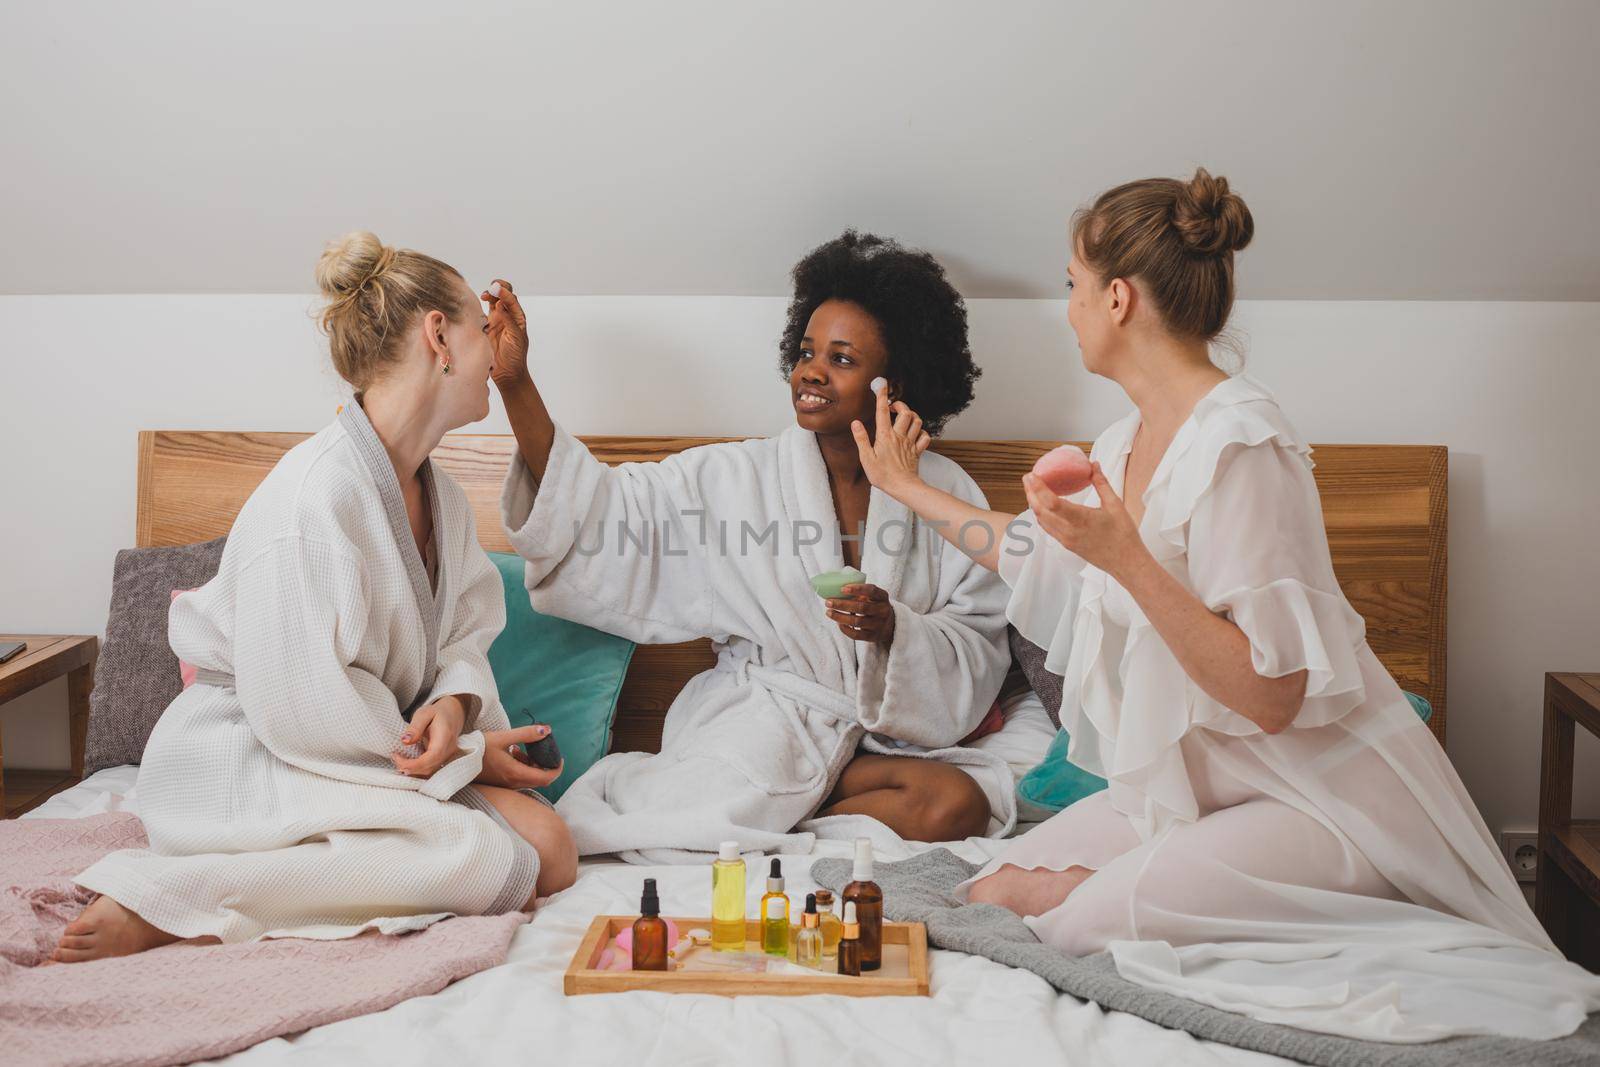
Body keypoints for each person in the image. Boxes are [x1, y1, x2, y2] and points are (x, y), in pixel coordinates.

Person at [849, 171, 1600, 1040]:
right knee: (993, 886)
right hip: (1204, 784)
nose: (1071, 310)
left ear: (1119, 298)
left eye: (1073, 288)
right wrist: (904, 486)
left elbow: (1273, 695)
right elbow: (1040, 551)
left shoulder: (1244, 444)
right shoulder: (1122, 443)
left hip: (1322, 797)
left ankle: (1367, 899)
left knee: (1080, 920)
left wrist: (1128, 559)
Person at [59, 233, 577, 962]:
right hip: (251, 753)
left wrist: (457, 707)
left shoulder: (446, 498)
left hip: (364, 748)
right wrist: (467, 755)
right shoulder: (312, 500)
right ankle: (172, 903)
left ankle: (239, 884)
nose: (495, 355)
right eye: (479, 329)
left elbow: (464, 631)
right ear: (438, 336)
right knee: (509, 855)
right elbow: (302, 710)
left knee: (546, 846)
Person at [493, 231, 1042, 863]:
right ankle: (781, 819)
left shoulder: (942, 490)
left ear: (895, 380)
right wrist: (516, 385)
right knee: (719, 802)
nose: (810, 370)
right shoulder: (738, 478)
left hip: (886, 746)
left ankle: (778, 827)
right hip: (764, 725)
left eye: (841, 359)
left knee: (959, 805)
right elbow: (604, 512)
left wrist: (895, 630)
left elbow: (978, 638)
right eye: (807, 351)